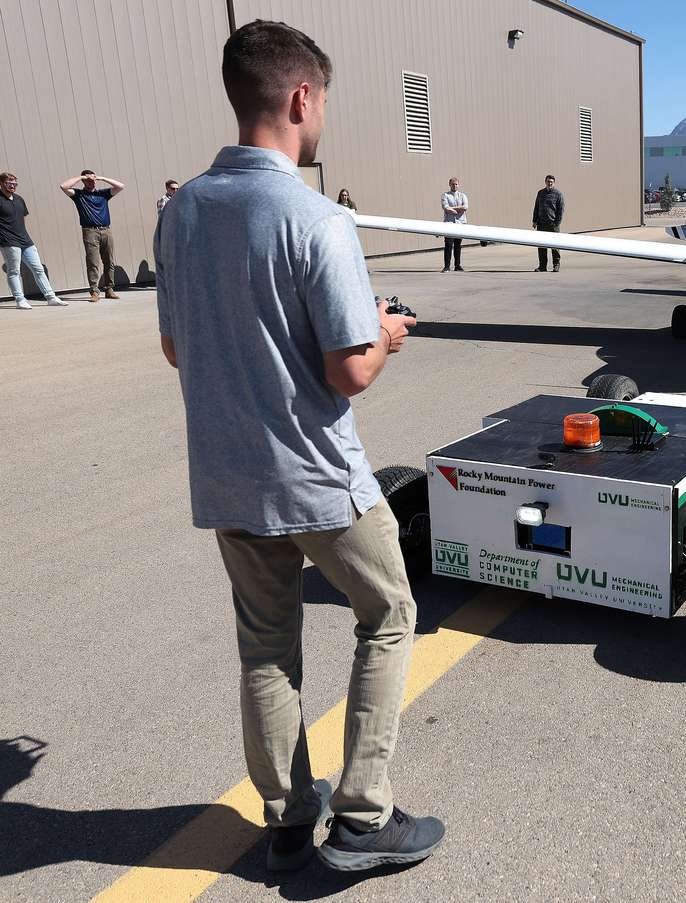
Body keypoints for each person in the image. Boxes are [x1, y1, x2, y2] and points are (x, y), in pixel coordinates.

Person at [154, 19, 442, 874]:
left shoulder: (181, 211)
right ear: (300, 97)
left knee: (265, 650)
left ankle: (285, 818)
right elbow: (349, 369)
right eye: (324, 104)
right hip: (318, 479)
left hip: (228, 477)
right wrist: (385, 332)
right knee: (388, 613)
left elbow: (178, 347)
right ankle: (362, 816)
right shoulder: (318, 218)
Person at [1, 172, 67, 308]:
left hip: (25, 240)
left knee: (38, 269)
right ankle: (20, 300)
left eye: (15, 183)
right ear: (1, 183)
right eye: (9, 182)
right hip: (8, 241)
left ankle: (51, 297)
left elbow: (22, 219)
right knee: (14, 271)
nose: (13, 185)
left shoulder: (19, 199)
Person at [59, 169, 124, 301]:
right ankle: (94, 291)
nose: (92, 182)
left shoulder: (103, 194)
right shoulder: (79, 195)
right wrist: (80, 176)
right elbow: (64, 186)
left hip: (106, 230)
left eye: (93, 180)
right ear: (83, 181)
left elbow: (120, 186)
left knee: (109, 261)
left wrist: (101, 177)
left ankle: (109, 289)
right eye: (88, 180)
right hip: (90, 231)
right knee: (93, 262)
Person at [531, 174, 564, 272]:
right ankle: (542, 266)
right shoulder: (540, 193)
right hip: (541, 224)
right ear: (545, 182)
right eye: (548, 181)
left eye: (551, 182)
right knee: (541, 246)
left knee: (555, 246)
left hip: (552, 225)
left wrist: (557, 223)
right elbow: (536, 207)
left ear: (554, 183)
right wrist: (534, 220)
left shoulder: (558, 194)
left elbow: (560, 210)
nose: (549, 183)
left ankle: (556, 265)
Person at [440, 176, 467, 272]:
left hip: (460, 223)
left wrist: (453, 209)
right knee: (448, 244)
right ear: (449, 185)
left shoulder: (462, 195)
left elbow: (465, 207)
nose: (454, 186)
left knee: (457, 245)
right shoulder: (445, 195)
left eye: (456, 184)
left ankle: (457, 265)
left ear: (458, 185)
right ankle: (447, 266)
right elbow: (445, 207)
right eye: (452, 184)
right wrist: (457, 209)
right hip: (449, 223)